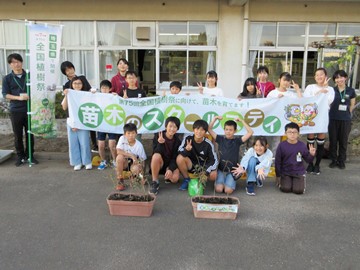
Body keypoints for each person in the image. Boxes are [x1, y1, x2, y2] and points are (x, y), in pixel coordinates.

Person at [2, 53, 38, 166]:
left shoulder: (29, 75)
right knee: (17, 135)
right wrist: (19, 97)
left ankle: (30, 155)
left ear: (22, 62)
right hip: (16, 110)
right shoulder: (7, 78)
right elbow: (5, 94)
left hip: (29, 109)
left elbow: (37, 89)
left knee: (30, 134)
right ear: (10, 65)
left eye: (18, 61)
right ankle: (20, 156)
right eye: (13, 62)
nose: (16, 64)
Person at [208, 116, 253, 194]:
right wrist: (214, 119)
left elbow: (250, 132)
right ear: (224, 130)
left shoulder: (237, 141)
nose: (228, 132)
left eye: (231, 130)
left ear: (235, 131)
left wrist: (241, 120)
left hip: (232, 171)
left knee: (227, 191)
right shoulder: (220, 139)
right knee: (218, 189)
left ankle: (229, 181)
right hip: (221, 170)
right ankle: (221, 181)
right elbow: (209, 129)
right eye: (226, 129)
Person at [60, 61, 98, 153]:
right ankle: (79, 152)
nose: (70, 71)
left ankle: (94, 145)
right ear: (64, 73)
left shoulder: (82, 78)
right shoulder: (66, 85)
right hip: (75, 110)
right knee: (78, 130)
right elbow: (67, 101)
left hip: (86, 107)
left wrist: (92, 92)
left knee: (91, 126)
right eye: (67, 70)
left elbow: (89, 90)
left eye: (71, 68)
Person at [303, 68, 335, 175]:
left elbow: (329, 101)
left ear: (326, 76)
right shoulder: (310, 87)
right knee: (310, 142)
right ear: (314, 77)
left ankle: (317, 165)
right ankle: (310, 164)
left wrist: (325, 88)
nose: (319, 77)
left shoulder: (330, 89)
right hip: (311, 117)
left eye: (321, 75)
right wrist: (320, 91)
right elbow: (307, 99)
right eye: (317, 75)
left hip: (323, 117)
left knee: (320, 142)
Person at [177, 119, 219, 191]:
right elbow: (179, 150)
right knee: (180, 158)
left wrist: (206, 171)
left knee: (214, 175)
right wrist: (186, 150)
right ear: (193, 129)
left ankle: (202, 180)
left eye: (202, 130)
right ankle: (187, 179)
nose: (199, 132)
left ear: (205, 132)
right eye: (197, 129)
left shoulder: (208, 144)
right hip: (191, 165)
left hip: (203, 168)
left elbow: (214, 160)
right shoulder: (188, 138)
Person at [275, 122, 316, 195]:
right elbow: (278, 161)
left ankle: (301, 180)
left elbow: (308, 160)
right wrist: (278, 175)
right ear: (285, 133)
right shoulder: (281, 145)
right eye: (290, 132)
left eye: (294, 132)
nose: (292, 134)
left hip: (298, 172)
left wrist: (311, 154)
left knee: (298, 190)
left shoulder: (302, 145)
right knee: (285, 189)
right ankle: (285, 181)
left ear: (298, 133)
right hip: (286, 172)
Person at [61, 76, 92, 171]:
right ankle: (77, 162)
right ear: (71, 85)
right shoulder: (69, 93)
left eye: (79, 83)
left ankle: (87, 162)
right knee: (73, 143)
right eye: (75, 83)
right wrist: (66, 95)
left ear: (82, 85)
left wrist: (93, 93)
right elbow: (64, 107)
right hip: (71, 122)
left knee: (85, 143)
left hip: (83, 121)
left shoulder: (86, 94)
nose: (77, 85)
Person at [328, 70, 356, 170]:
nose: (339, 79)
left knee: (343, 141)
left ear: (346, 78)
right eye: (337, 78)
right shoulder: (332, 90)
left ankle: (341, 160)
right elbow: (328, 103)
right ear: (335, 80)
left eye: (341, 77)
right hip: (333, 118)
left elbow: (352, 104)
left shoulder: (350, 90)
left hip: (345, 119)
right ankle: (333, 160)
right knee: (333, 140)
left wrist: (347, 113)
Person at [149, 116, 182, 195]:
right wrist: (160, 143)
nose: (172, 129)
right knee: (156, 156)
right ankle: (155, 181)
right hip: (160, 163)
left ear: (177, 129)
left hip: (170, 164)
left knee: (175, 179)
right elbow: (155, 152)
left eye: (175, 127)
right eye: (170, 126)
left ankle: (167, 176)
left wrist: (170, 169)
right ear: (165, 126)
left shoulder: (178, 141)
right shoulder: (158, 135)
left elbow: (175, 158)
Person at [115, 123, 147, 191]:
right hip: (125, 162)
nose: (131, 135)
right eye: (128, 133)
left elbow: (143, 161)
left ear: (136, 133)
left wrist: (142, 175)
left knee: (137, 169)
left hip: (134, 164)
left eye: (133, 133)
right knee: (119, 158)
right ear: (124, 134)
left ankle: (134, 176)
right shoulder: (122, 138)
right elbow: (118, 151)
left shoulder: (139, 145)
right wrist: (132, 155)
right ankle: (120, 179)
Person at [96, 80, 118, 170]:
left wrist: (117, 97)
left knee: (112, 145)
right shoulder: (96, 97)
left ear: (110, 89)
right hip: (101, 124)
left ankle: (114, 160)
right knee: (101, 145)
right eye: (102, 88)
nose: (104, 89)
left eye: (106, 88)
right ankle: (103, 161)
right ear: (100, 89)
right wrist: (92, 94)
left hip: (111, 124)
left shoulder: (113, 97)